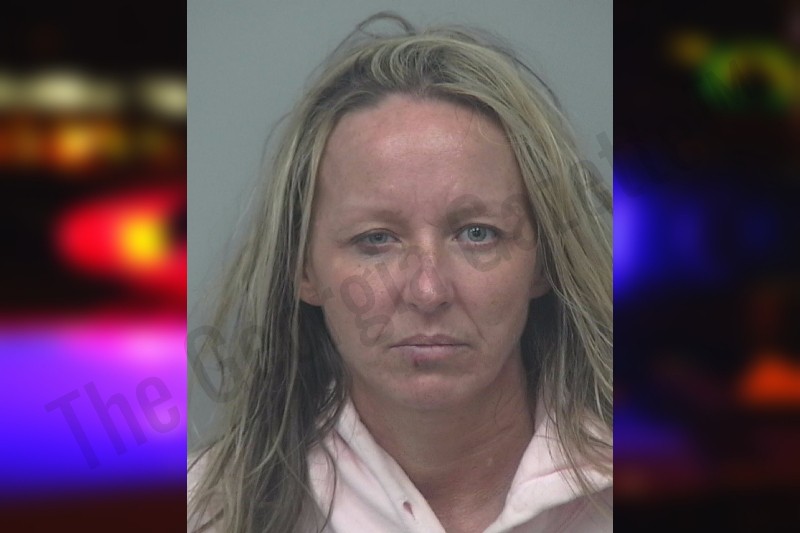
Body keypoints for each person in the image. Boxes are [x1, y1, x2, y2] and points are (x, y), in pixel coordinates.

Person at [188, 12, 612, 533]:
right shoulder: (204, 514)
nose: (428, 290)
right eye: (375, 240)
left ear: (542, 263)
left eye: (477, 233)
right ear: (304, 269)